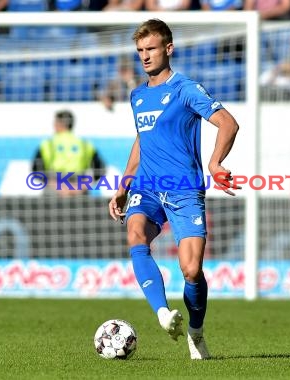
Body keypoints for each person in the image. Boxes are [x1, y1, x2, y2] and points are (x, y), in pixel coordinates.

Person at [107, 19, 241, 360]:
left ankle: (195, 331)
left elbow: (228, 123)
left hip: (183, 189)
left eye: (151, 49)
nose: (145, 56)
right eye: (140, 51)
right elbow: (142, 139)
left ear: (168, 49)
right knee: (136, 235)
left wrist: (215, 163)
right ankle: (163, 313)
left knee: (192, 271)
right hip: (148, 187)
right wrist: (124, 184)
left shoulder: (186, 89)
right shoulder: (138, 95)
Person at [32, 110, 106, 197]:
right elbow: (100, 169)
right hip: (78, 189)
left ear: (59, 124)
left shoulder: (47, 144)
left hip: (54, 190)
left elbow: (36, 170)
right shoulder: (85, 145)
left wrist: (56, 186)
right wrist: (81, 186)